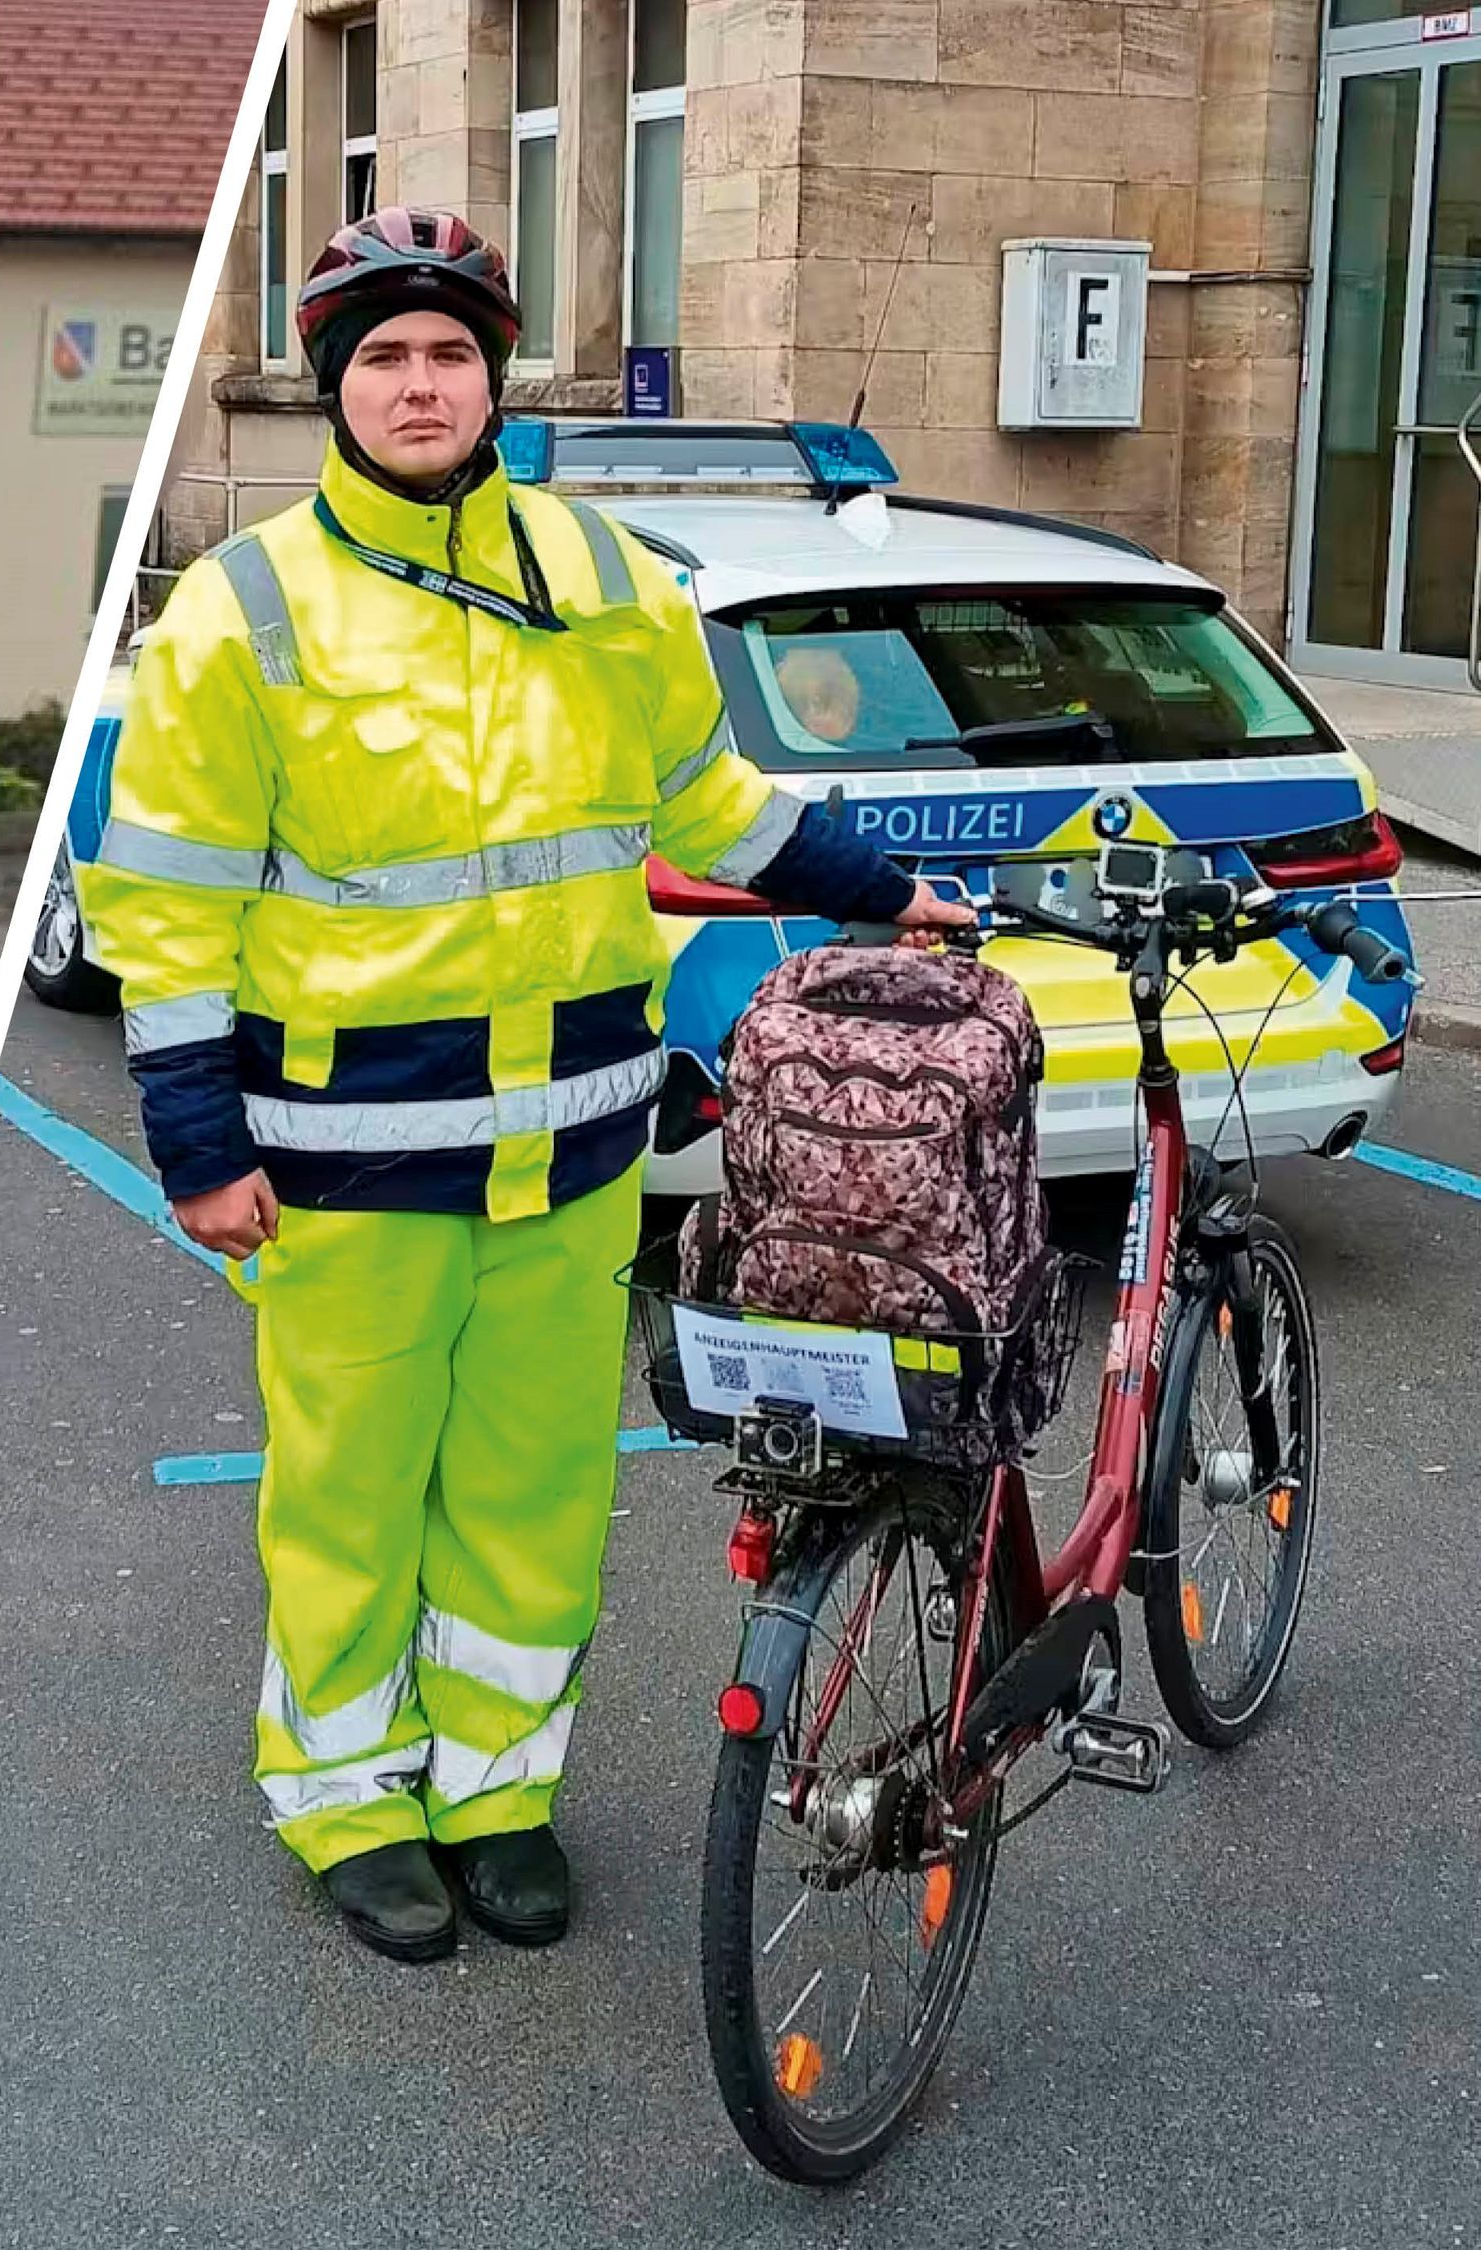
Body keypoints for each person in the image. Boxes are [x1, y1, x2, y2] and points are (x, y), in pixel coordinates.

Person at [78, 207, 977, 1965]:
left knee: (537, 1492)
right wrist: (197, 1144)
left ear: (496, 376)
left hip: (575, 1155)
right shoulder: (245, 613)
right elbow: (166, 910)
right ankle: (347, 1801)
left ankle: (495, 1793)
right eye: (384, 358)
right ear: (337, 385)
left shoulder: (607, 580)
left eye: (450, 355)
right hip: (347, 1163)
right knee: (348, 1503)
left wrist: (881, 883)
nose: (421, 385)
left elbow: (710, 797)